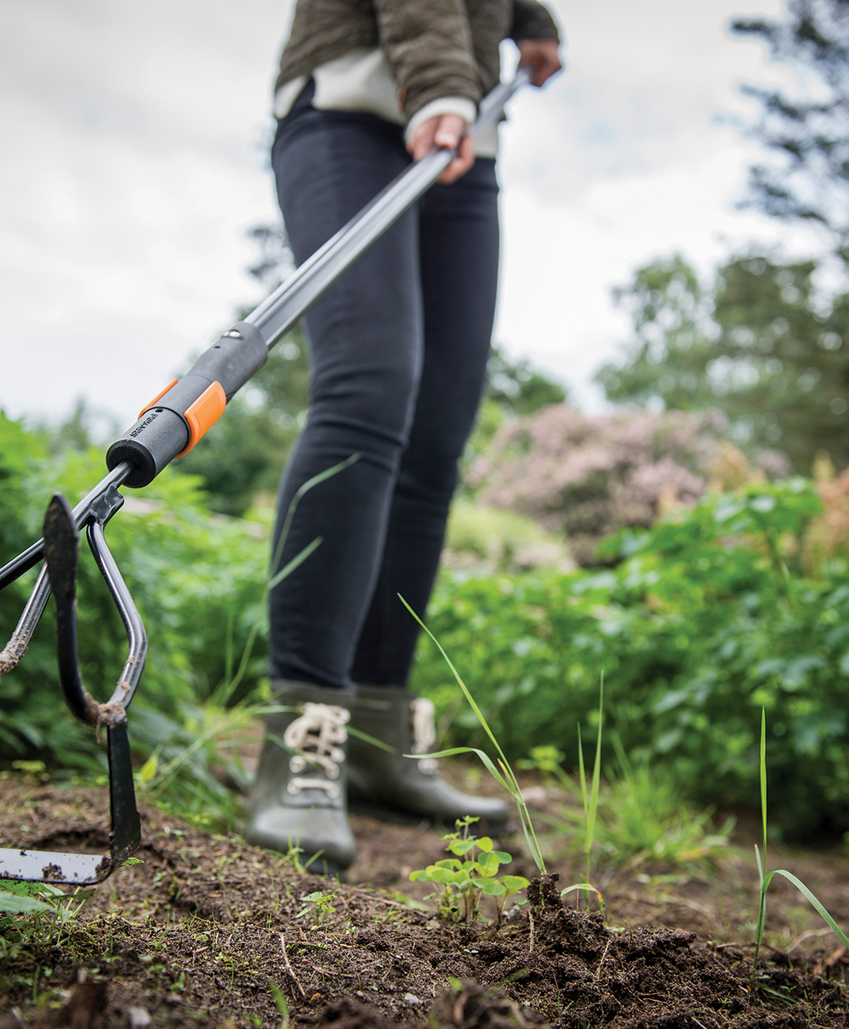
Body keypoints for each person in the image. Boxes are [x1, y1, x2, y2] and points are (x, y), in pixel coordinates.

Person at [243, 0, 563, 875]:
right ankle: (300, 739)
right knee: (368, 388)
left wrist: (530, 18)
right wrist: (439, 79)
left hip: (466, 134)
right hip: (351, 109)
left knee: (436, 435)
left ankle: (379, 738)